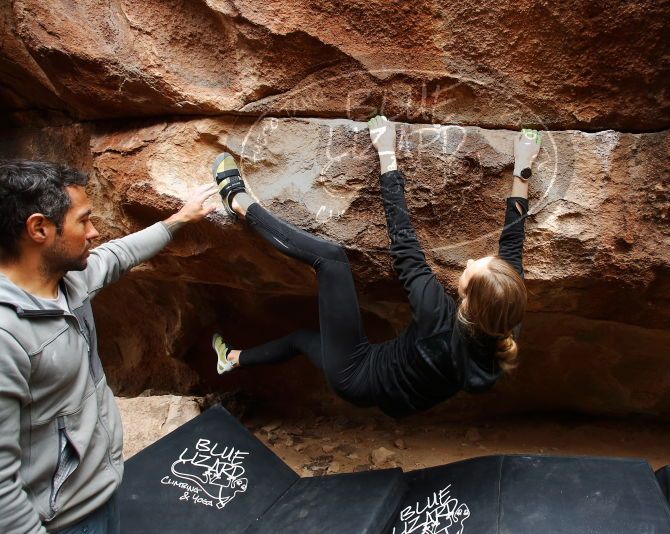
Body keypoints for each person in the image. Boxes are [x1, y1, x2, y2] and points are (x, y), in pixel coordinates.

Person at [212, 116, 542, 417]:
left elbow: (405, 246)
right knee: (300, 339)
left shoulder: (437, 316)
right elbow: (512, 246)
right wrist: (522, 169)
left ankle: (238, 203)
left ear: (467, 300)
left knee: (330, 259)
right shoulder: (503, 320)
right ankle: (230, 360)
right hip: (395, 396)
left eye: (471, 269)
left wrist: (386, 152)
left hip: (357, 373)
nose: (469, 260)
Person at [0, 160, 216, 534]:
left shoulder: (67, 282)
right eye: (83, 221)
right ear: (39, 228)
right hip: (62, 522)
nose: (94, 231)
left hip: (103, 490)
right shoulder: (6, 335)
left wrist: (179, 219)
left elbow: (116, 257)